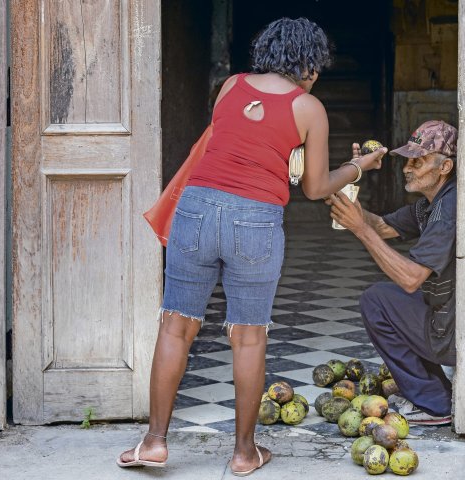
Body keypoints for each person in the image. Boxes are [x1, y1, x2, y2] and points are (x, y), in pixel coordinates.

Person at [117, 17, 387, 474]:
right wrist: (359, 166)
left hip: (196, 209)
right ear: (307, 64)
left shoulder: (231, 86)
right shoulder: (309, 108)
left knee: (175, 326)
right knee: (248, 336)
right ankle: (244, 453)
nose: (317, 75)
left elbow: (230, 142)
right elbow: (316, 187)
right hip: (255, 219)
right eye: (317, 66)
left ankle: (154, 442)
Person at [326, 120, 457, 426]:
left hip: (457, 333)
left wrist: (359, 229)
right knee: (384, 297)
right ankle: (434, 393)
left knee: (377, 302)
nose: (406, 168)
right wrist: (351, 180)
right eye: (407, 160)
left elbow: (411, 279)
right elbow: (383, 226)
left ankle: (436, 404)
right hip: (448, 316)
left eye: (418, 161)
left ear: (444, 166)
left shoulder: (446, 211)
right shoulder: (431, 203)